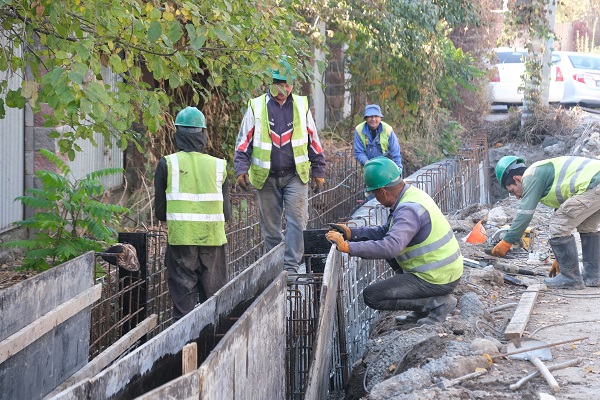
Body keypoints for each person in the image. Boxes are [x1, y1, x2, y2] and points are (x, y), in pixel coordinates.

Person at [325, 157, 463, 325]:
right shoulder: (412, 196)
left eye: (374, 193)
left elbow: (390, 247)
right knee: (389, 249)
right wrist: (352, 233)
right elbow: (387, 231)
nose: (375, 198)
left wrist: (348, 247)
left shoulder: (408, 210)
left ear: (383, 191)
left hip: (437, 277)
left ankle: (437, 304)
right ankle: (423, 309)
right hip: (444, 271)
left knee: (372, 296)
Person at [234, 60, 326, 273]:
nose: (282, 89)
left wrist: (319, 170)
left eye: (286, 84)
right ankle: (275, 270)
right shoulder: (257, 107)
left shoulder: (301, 106)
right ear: (270, 83)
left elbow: (314, 140)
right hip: (266, 178)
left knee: (297, 222)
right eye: (277, 83)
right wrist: (240, 170)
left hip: (295, 175)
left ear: (292, 84)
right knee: (271, 229)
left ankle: (291, 267)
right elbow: (243, 143)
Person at [154, 106, 232, 321]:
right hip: (213, 242)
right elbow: (226, 214)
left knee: (183, 309)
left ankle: (184, 349)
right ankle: (213, 348)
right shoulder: (218, 166)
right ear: (203, 135)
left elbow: (160, 212)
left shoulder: (167, 164)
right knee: (215, 302)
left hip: (181, 243)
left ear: (178, 135)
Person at [491, 155, 600, 290]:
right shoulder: (542, 173)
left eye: (513, 191)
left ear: (517, 179)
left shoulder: (531, 176)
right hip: (594, 185)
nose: (517, 196)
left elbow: (525, 214)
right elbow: (567, 215)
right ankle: (593, 275)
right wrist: (561, 258)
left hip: (593, 185)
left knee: (557, 225)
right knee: (587, 227)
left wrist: (507, 241)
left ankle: (570, 279)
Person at [353, 104, 403, 170]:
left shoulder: (387, 130)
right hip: (369, 170)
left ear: (380, 118)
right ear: (366, 118)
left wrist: (398, 170)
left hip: (387, 169)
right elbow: (359, 152)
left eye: (376, 116)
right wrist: (367, 163)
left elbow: (395, 153)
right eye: (370, 116)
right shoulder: (359, 130)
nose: (373, 119)